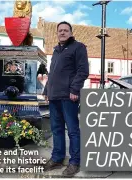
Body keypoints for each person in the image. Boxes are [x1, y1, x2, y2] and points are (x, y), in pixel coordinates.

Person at [42, 21, 89, 177]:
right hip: (54, 96)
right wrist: (46, 89)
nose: (62, 32)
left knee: (73, 130)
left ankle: (75, 162)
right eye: (60, 30)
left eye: (65, 30)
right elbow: (52, 73)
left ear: (70, 32)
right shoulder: (56, 50)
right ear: (57, 33)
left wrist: (75, 89)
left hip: (69, 96)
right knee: (56, 129)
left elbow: (83, 71)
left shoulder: (78, 47)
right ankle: (57, 158)